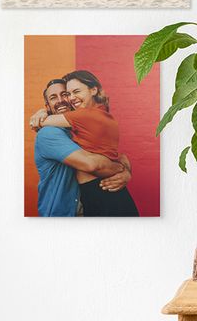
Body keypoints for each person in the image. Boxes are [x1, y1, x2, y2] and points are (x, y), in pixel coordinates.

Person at [31, 70, 140, 217]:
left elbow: (119, 156)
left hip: (91, 204)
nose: (63, 100)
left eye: (65, 94)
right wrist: (121, 169)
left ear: (93, 90)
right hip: (62, 213)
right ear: (48, 105)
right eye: (53, 98)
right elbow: (92, 164)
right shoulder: (50, 134)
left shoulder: (79, 128)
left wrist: (126, 172)